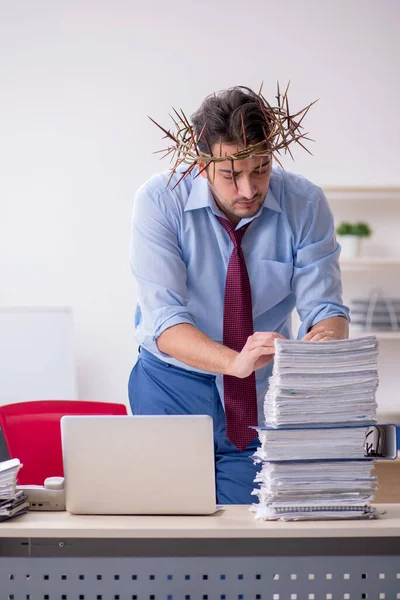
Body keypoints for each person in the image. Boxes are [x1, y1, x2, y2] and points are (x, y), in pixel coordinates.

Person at [128, 84, 350, 504]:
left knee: (247, 518)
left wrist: (320, 348)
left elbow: (326, 308)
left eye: (261, 168)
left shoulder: (305, 203)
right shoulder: (159, 201)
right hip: (171, 380)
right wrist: (234, 362)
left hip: (261, 389)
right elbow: (164, 322)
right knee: (164, 517)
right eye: (231, 175)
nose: (248, 189)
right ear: (201, 165)